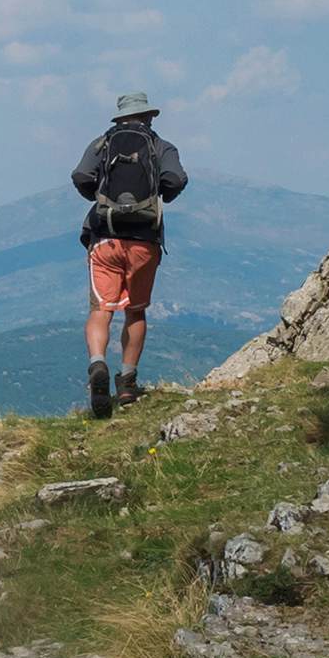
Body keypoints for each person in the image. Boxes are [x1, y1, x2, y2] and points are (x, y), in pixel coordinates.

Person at [70, 90, 187, 418]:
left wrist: (100, 198)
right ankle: (127, 382)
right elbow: (176, 179)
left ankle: (97, 364)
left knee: (100, 310)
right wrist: (155, 198)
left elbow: (80, 176)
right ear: (149, 116)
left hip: (105, 238)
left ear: (120, 118)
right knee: (135, 312)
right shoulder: (161, 146)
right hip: (144, 240)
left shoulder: (101, 144)